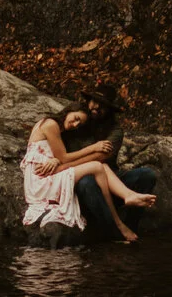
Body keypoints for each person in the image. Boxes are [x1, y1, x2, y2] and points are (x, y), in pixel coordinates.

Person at [21, 100, 156, 243]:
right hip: (40, 178)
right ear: (69, 111)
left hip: (51, 170)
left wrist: (56, 160)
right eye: (76, 119)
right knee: (97, 166)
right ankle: (118, 222)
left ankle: (128, 198)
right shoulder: (51, 124)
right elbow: (64, 156)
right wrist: (94, 147)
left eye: (79, 124)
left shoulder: (112, 130)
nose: (75, 124)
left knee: (102, 166)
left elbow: (58, 155)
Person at [64, 87, 161, 246]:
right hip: (83, 179)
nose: (96, 107)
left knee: (147, 175)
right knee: (87, 182)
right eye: (94, 101)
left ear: (109, 110)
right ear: (88, 102)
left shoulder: (115, 130)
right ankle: (115, 230)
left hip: (111, 180)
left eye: (102, 105)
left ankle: (131, 226)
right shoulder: (77, 120)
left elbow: (102, 158)